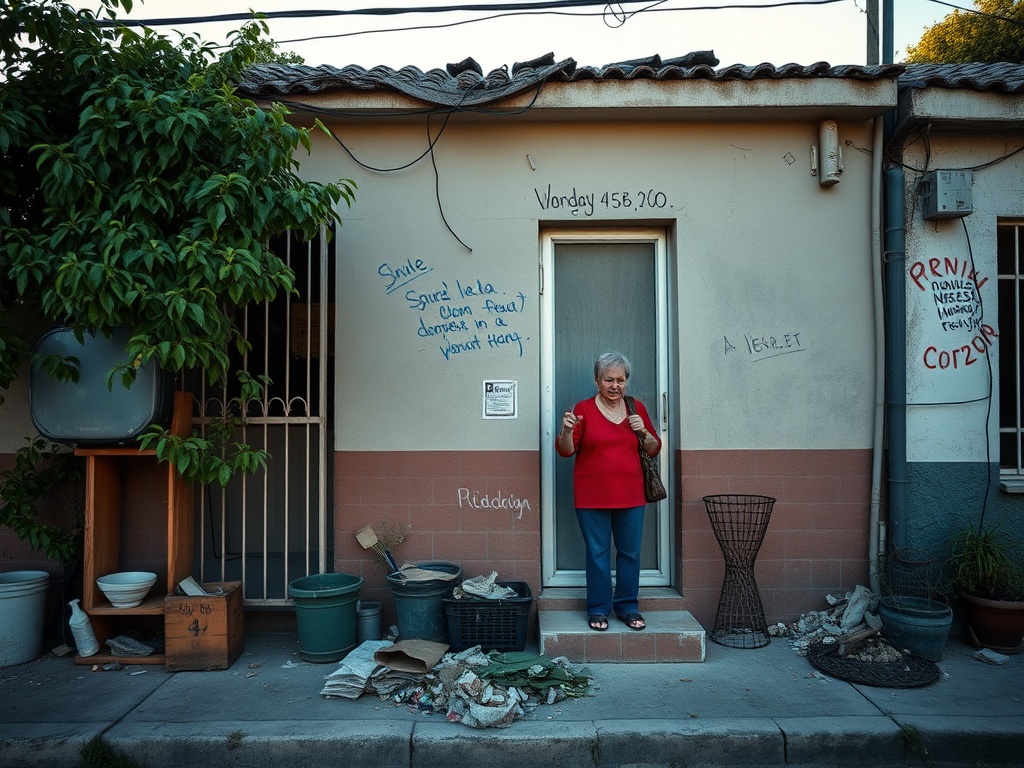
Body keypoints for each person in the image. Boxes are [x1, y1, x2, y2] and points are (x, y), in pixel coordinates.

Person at [556, 351, 661, 632]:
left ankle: (627, 607)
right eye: (608, 380)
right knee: (597, 554)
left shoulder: (636, 408)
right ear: (597, 380)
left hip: (631, 495)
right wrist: (567, 431)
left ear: (626, 381)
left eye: (621, 380)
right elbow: (566, 451)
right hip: (591, 497)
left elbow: (654, 449)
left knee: (630, 553)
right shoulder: (584, 409)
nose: (615, 386)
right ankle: (598, 608)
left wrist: (644, 432)